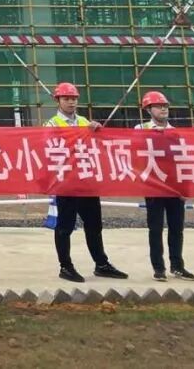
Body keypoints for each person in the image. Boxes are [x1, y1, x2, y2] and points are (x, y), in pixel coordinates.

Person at [45, 81, 127, 283]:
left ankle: (101, 264)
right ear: (58, 101)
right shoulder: (52, 124)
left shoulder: (84, 121)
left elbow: (95, 146)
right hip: (66, 183)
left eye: (74, 98)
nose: (71, 102)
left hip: (86, 181)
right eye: (66, 99)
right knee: (65, 226)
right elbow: (47, 148)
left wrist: (97, 130)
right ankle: (66, 266)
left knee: (94, 225)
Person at [135, 90, 194, 282]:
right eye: (158, 106)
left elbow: (183, 161)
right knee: (155, 229)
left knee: (176, 228)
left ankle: (177, 266)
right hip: (153, 187)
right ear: (148, 110)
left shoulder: (176, 132)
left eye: (165, 106)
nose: (163, 109)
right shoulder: (141, 128)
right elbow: (135, 149)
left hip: (174, 187)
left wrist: (185, 188)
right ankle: (158, 268)